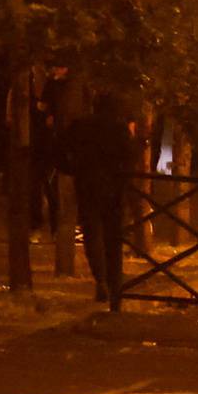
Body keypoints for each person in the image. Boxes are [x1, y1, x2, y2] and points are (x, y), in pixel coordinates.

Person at [66, 92, 135, 304]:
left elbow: (61, 149)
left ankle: (101, 279)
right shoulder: (118, 128)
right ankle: (115, 285)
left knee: (92, 234)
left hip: (87, 184)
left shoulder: (80, 126)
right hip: (113, 187)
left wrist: (74, 168)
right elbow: (130, 156)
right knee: (112, 236)